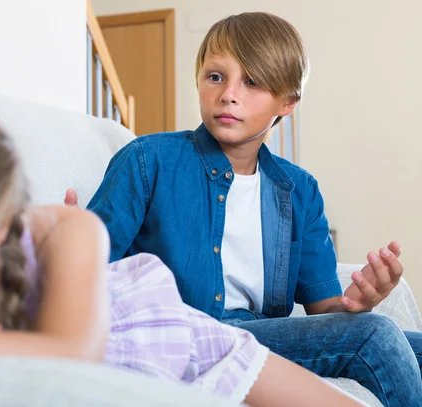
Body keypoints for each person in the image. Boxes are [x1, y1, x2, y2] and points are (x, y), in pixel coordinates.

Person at [0, 63, 362, 407]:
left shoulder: (66, 230)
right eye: (216, 77)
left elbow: (67, 358)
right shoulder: (150, 159)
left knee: (373, 349)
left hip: (193, 341)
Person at [65, 11, 422, 406]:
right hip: (186, 335)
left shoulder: (299, 190)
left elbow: (324, 309)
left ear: (287, 102)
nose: (228, 94)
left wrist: (362, 301)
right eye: (215, 77)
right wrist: (67, 241)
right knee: (378, 337)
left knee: (402, 339)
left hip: (261, 336)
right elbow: (89, 271)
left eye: (251, 82)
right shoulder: (148, 160)